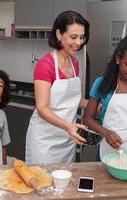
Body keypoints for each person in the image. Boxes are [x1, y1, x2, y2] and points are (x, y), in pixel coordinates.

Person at [25, 10, 90, 165]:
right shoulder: (45, 65)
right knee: (43, 182)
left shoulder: (74, 64)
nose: (79, 42)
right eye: (73, 37)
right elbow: (42, 108)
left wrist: (91, 105)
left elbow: (71, 98)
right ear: (59, 34)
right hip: (45, 140)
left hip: (67, 138)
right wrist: (68, 126)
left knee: (63, 181)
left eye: (81, 37)